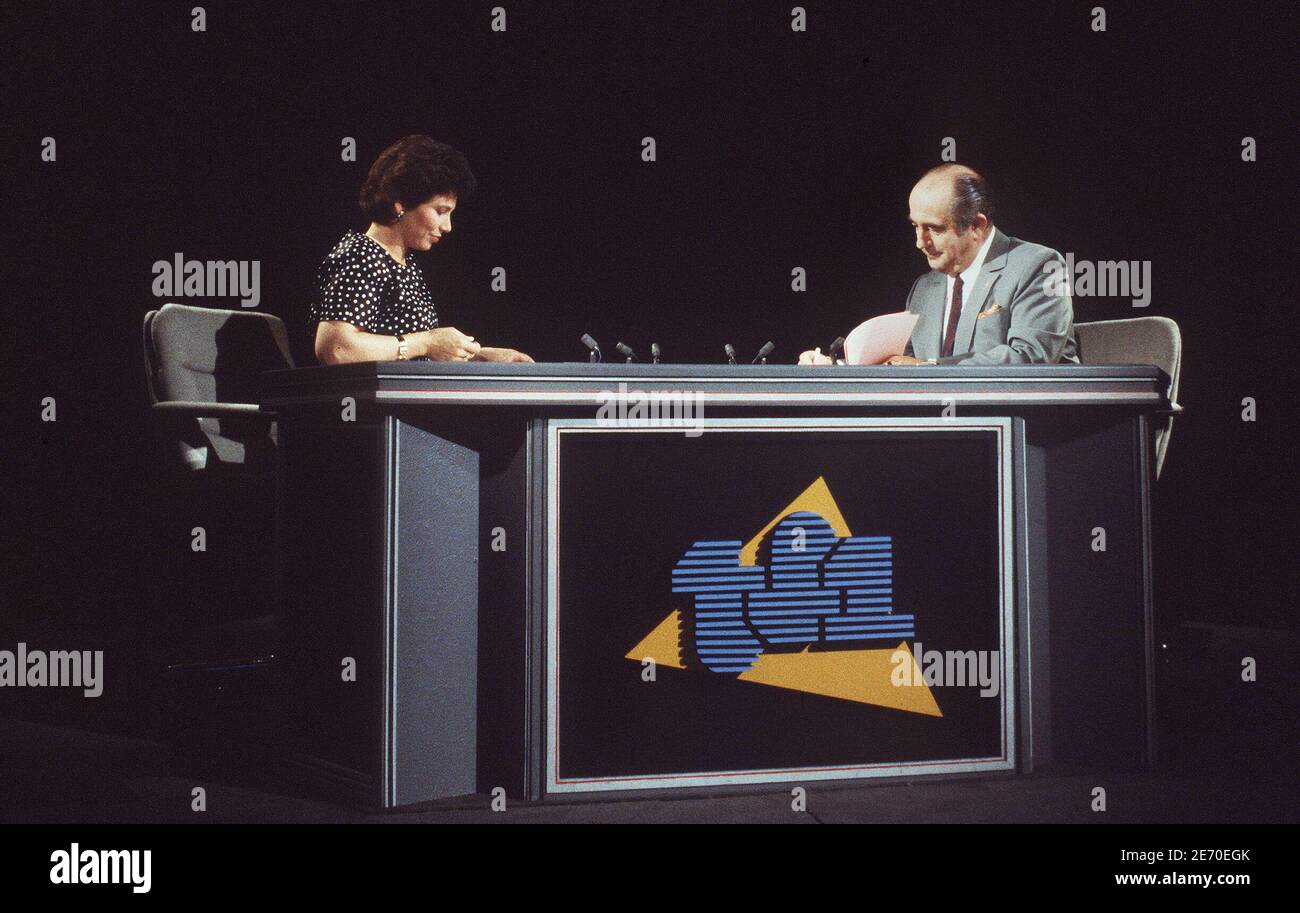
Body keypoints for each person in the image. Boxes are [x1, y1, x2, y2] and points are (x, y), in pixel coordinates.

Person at [800, 164, 1078, 366]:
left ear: (976, 226)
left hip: (1028, 435)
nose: (920, 242)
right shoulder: (925, 288)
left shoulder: (1039, 266)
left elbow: (1028, 358)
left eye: (933, 228)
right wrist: (835, 369)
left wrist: (929, 368)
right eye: (915, 226)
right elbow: (901, 365)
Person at [311, 134, 533, 365]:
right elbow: (336, 349)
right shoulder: (360, 256)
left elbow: (412, 354)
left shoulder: (404, 262)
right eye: (440, 211)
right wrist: (426, 342)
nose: (447, 227)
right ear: (401, 203)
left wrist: (479, 356)